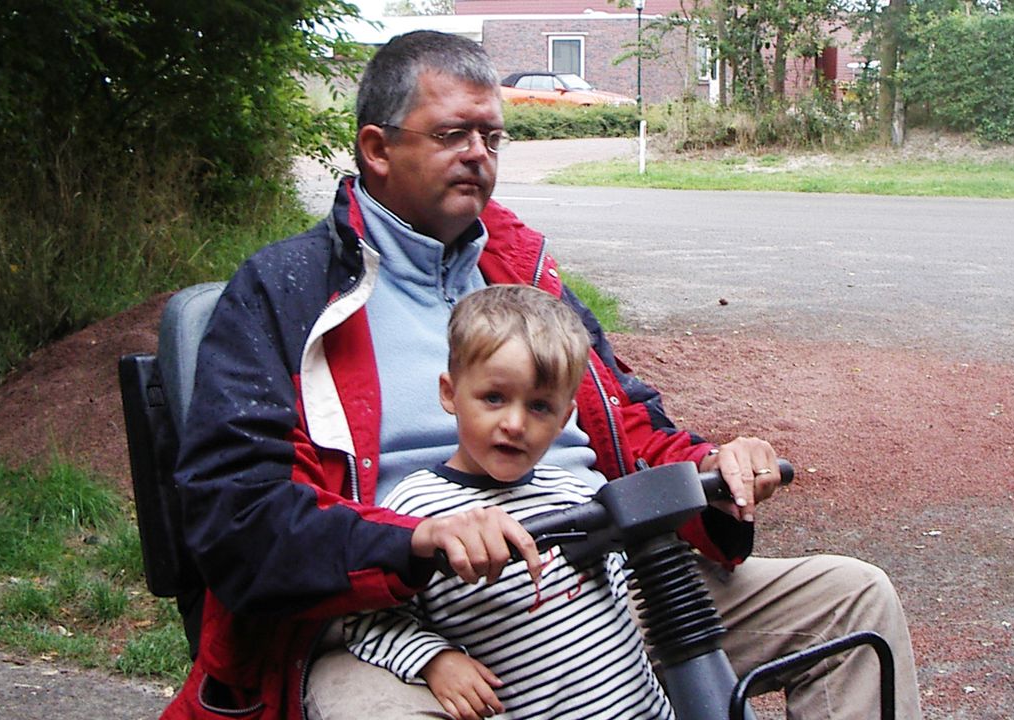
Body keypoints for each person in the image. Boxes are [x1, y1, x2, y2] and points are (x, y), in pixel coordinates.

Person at [161, 29, 921, 720]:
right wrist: (421, 539)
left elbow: (626, 425)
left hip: (602, 585)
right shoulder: (286, 291)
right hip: (405, 622)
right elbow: (237, 517)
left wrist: (710, 467)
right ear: (376, 149)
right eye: (453, 133)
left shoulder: (520, 271)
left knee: (853, 601)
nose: (478, 154)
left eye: (491, 136)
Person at [343, 285, 674, 720]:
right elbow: (364, 621)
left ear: (564, 419)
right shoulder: (414, 508)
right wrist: (435, 661)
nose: (514, 424)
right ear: (449, 392)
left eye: (539, 406)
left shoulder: (575, 494)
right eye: (494, 398)